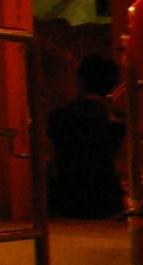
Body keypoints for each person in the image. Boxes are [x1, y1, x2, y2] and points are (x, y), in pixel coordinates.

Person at [47, 52, 126, 220]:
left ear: (80, 81)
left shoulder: (58, 116)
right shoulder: (117, 120)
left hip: (65, 197)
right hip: (106, 199)